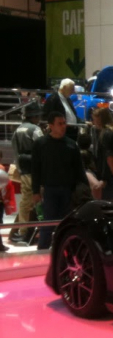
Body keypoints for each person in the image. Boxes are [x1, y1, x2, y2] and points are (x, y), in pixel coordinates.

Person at [31, 112, 88, 250]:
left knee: (67, 224)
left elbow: (79, 169)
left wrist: (85, 190)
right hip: (49, 189)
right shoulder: (41, 144)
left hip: (68, 190)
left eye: (64, 123)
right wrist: (35, 191)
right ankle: (42, 252)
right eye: (60, 124)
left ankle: (68, 251)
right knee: (47, 223)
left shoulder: (71, 145)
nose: (63, 126)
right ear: (51, 126)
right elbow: (35, 169)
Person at [8, 102, 44, 244]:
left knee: (26, 201)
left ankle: (20, 231)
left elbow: (15, 152)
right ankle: (25, 232)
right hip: (34, 170)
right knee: (30, 201)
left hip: (23, 170)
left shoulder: (18, 130)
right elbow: (43, 148)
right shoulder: (35, 129)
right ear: (35, 116)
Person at [91, 107, 113, 200]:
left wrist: (104, 178)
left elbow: (106, 158)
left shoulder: (105, 134)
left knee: (108, 202)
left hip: (109, 177)